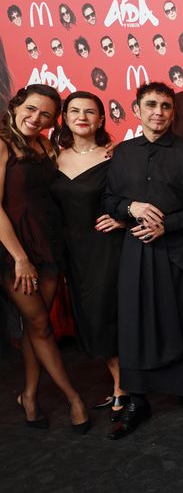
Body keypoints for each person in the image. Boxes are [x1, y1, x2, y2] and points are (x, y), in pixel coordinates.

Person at [103, 82, 183, 439]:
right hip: (136, 254)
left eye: (166, 106)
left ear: (174, 112)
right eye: (151, 105)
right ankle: (137, 398)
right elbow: (109, 200)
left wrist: (167, 226)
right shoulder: (122, 153)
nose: (159, 112)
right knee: (137, 324)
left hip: (180, 252)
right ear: (136, 110)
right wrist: (129, 207)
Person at [1, 85, 90, 433]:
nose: (36, 118)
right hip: (13, 250)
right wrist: (19, 258)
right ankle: (74, 398)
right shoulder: (3, 143)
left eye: (46, 116)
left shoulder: (44, 145)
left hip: (48, 242)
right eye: (32, 109)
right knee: (39, 324)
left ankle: (29, 395)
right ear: (17, 103)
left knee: (35, 327)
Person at [51, 92, 127, 421]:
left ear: (100, 119)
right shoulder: (51, 156)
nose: (82, 116)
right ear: (65, 117)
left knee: (105, 313)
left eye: (90, 112)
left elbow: (138, 193)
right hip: (71, 250)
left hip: (105, 247)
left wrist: (123, 219)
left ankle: (122, 387)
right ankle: (120, 385)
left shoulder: (116, 156)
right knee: (89, 316)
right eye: (75, 111)